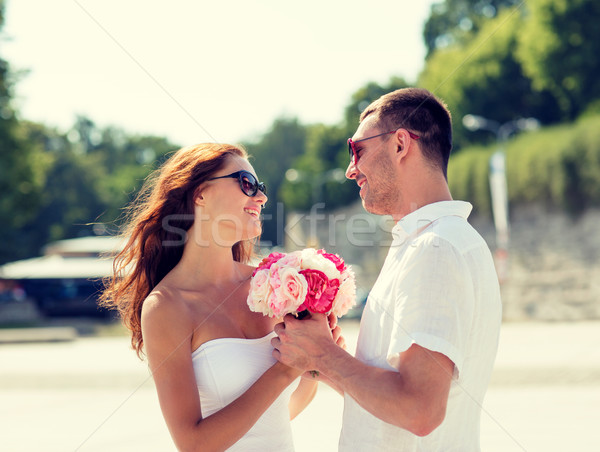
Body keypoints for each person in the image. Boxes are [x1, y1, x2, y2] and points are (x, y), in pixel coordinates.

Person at [272, 88, 502, 451]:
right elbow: (393, 403)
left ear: (399, 145)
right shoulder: (438, 242)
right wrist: (325, 360)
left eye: (357, 149)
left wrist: (325, 355)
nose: (351, 169)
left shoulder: (435, 248)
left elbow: (420, 410)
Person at [101, 143, 320, 451]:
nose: (261, 197)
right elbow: (193, 444)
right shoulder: (166, 306)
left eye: (261, 187)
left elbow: (278, 414)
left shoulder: (274, 282)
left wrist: (314, 363)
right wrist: (286, 371)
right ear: (200, 194)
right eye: (247, 183)